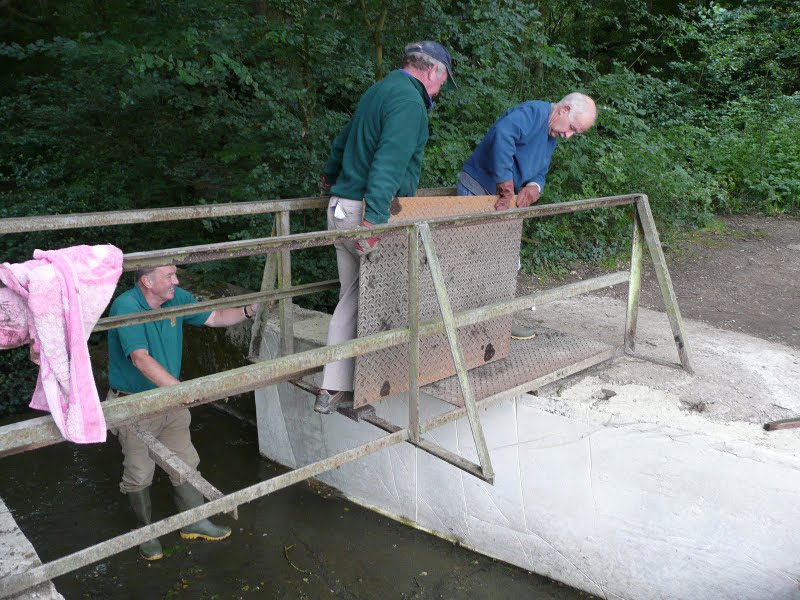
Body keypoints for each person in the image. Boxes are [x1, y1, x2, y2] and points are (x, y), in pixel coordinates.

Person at [314, 41, 456, 414]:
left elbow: (341, 142)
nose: (438, 92)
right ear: (431, 73)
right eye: (442, 83)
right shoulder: (410, 103)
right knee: (374, 300)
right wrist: (374, 221)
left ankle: (338, 388)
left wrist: (331, 182)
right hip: (366, 211)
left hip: (341, 206)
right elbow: (389, 163)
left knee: (354, 296)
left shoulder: (378, 90)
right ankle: (353, 392)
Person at [107, 265, 259, 561]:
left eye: (175, 274)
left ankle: (194, 521)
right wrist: (182, 391)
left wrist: (249, 310)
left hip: (170, 403)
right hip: (135, 404)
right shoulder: (126, 306)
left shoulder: (175, 298)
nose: (176, 281)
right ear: (147, 281)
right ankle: (146, 532)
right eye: (169, 276)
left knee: (186, 461)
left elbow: (214, 317)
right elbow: (140, 359)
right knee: (139, 473)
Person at [457, 92, 597, 339]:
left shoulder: (551, 134)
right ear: (563, 110)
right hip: (478, 189)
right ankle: (461, 325)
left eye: (576, 133)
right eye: (572, 128)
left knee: (505, 260)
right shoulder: (532, 113)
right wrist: (505, 182)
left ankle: (498, 321)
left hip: (505, 201)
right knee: (472, 258)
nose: (568, 136)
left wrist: (534, 188)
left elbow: (540, 171)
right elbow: (503, 136)